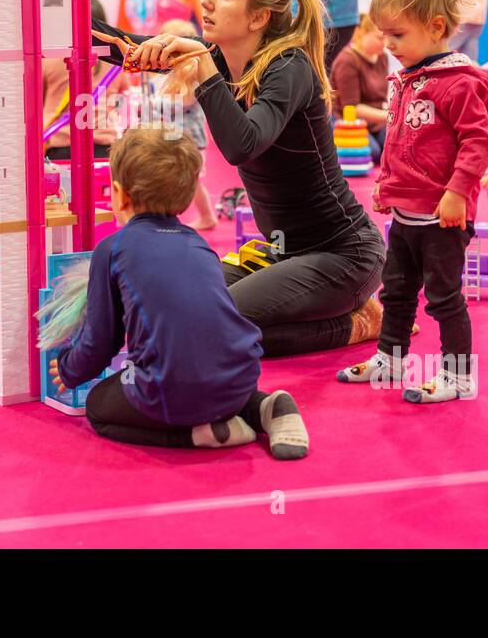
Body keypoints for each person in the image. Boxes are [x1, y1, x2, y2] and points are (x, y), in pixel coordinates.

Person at [93, 0, 387, 358]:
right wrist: (61, 9)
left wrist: (204, 72)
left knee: (212, 327)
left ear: (258, 17)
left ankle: (360, 322)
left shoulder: (290, 68)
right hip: (283, 252)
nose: (207, 1)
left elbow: (242, 145)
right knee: (176, 305)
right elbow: (122, 47)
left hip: (343, 255)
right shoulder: (214, 54)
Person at [51, 126, 309, 459]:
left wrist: (70, 368)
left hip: (172, 391)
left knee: (98, 407)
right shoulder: (199, 245)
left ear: (118, 193)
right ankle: (263, 406)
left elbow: (102, 341)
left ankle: (198, 434)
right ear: (187, 197)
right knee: (200, 377)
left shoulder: (111, 249)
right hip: (241, 379)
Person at [337, 0, 488, 404]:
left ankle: (459, 377)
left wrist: (457, 192)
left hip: (441, 217)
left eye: (398, 35)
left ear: (436, 28)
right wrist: (388, 184)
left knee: (444, 298)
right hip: (406, 214)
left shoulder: (459, 83)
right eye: (384, 34)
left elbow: (479, 141)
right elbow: (401, 141)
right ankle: (390, 360)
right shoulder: (408, 79)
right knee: (398, 292)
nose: (388, 44)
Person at [144, 18, 217, 231]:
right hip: (171, 136)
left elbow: (182, 103)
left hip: (189, 140)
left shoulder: (192, 73)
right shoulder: (165, 73)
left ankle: (207, 216)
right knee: (170, 177)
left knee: (192, 182)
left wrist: (152, 103)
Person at [43, 0, 130, 161]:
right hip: (104, 146)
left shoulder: (51, 58)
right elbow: (124, 95)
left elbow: (35, 102)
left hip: (60, 144)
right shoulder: (115, 63)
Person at [329, 13, 388, 162]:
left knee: (394, 148)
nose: (385, 43)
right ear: (361, 33)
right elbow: (352, 109)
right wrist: (389, 116)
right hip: (348, 123)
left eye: (387, 37)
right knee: (372, 152)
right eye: (380, 38)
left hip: (375, 122)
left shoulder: (382, 57)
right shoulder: (347, 60)